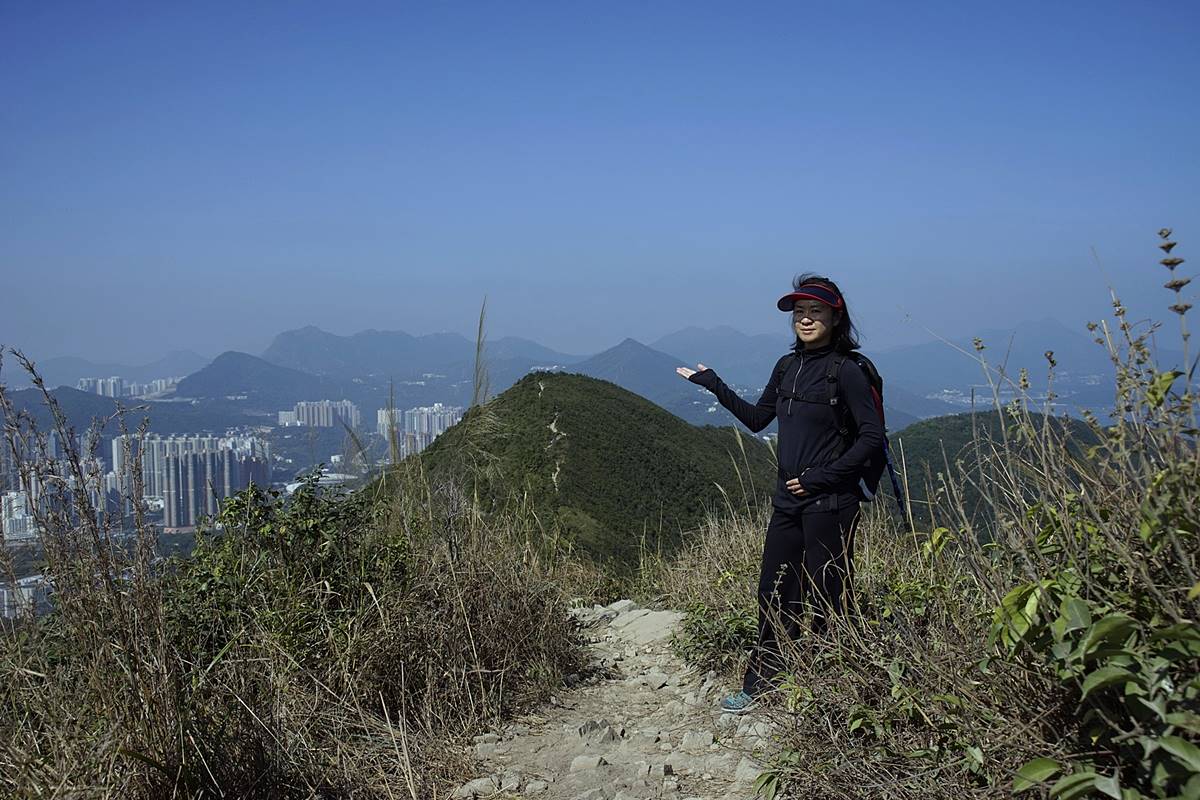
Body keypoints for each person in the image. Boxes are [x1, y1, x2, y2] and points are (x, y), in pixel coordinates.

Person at [675, 274, 884, 714]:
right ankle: (764, 683)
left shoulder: (847, 371)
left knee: (830, 595)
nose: (805, 319)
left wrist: (821, 478)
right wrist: (714, 383)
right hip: (787, 501)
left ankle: (834, 691)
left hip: (831, 502)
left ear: (835, 317)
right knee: (773, 591)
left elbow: (871, 437)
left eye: (815, 311)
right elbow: (757, 419)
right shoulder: (787, 366)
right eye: (799, 312)